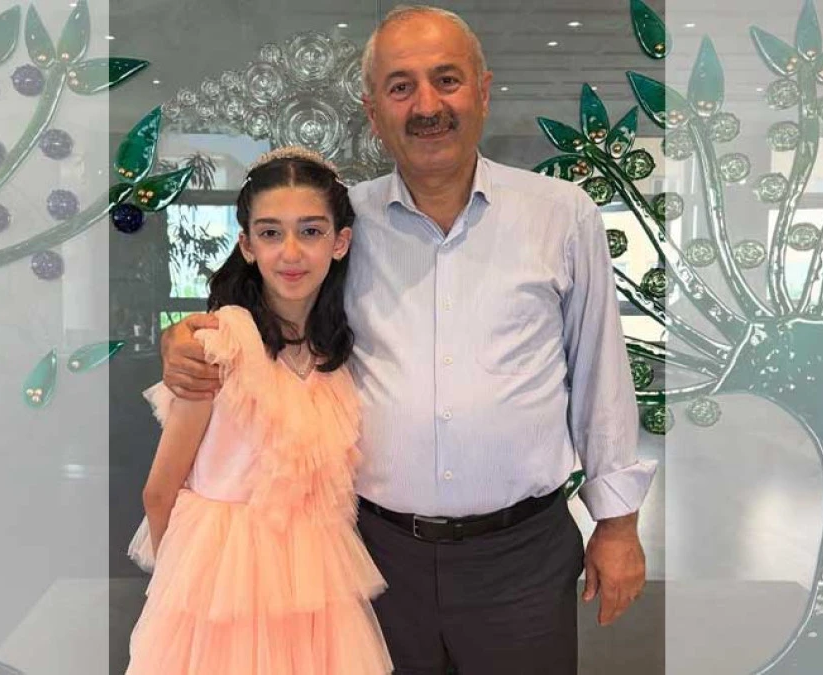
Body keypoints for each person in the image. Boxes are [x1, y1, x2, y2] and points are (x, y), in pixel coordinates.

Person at [160, 6, 657, 674]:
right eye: (401, 87)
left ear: (483, 90)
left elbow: (601, 372)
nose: (427, 105)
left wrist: (618, 523)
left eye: (447, 80)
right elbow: (269, 307)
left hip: (522, 556)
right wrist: (187, 338)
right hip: (374, 553)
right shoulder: (341, 224)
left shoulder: (560, 216)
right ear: (373, 110)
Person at [125, 147, 392, 675]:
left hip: (315, 594)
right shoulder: (221, 341)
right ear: (247, 245)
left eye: (311, 231)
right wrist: (186, 589)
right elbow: (160, 491)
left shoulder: (333, 355)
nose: (291, 252)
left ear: (340, 242)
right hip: (223, 596)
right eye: (271, 233)